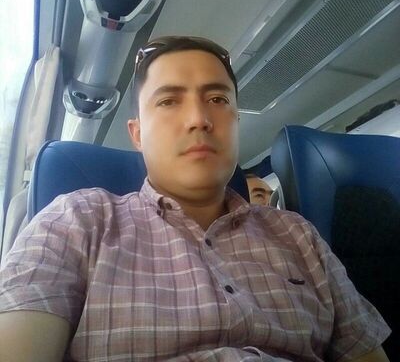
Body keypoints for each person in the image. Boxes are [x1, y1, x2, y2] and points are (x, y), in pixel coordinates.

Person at [0, 36, 391, 362]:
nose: (198, 119)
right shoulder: (76, 221)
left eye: (217, 100)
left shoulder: (299, 236)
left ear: (236, 122)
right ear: (137, 134)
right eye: (169, 101)